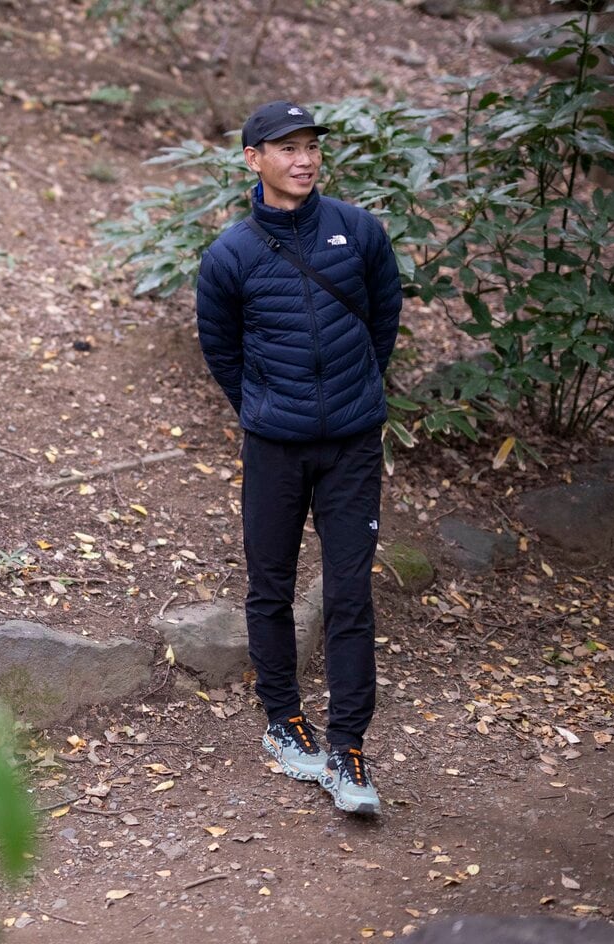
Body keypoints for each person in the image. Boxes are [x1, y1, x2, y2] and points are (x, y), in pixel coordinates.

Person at [195, 100, 402, 816]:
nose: (303, 158)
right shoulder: (231, 255)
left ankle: (348, 750)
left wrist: (354, 394)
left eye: (310, 145)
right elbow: (221, 348)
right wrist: (263, 407)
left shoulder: (359, 231)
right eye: (285, 148)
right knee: (270, 586)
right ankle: (283, 722)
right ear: (253, 159)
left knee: (349, 594)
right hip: (275, 448)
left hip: (351, 445)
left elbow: (383, 318)